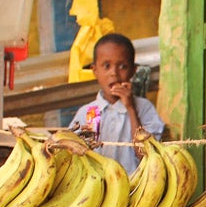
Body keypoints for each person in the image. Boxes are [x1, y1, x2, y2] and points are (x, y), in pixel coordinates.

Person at [69, 33, 166, 175]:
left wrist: (130, 108)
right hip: (97, 190)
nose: (114, 73)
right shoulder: (89, 112)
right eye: (106, 66)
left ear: (133, 71)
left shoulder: (144, 108)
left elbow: (146, 155)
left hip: (136, 190)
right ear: (95, 70)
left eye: (122, 66)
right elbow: (75, 158)